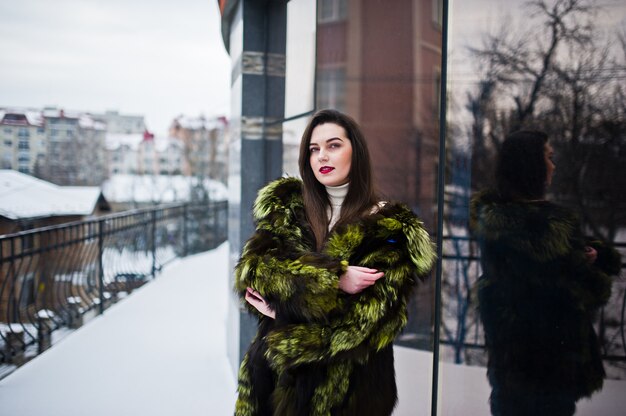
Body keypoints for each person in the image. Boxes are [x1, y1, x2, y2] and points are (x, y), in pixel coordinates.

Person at [233, 109, 436, 415]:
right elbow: (255, 271)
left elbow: (357, 326)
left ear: (356, 151)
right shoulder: (290, 210)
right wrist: (333, 280)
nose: (322, 157)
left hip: (349, 395)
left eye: (333, 145)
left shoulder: (389, 228)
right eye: (314, 149)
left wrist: (282, 311)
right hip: (270, 384)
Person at [470, 130, 621, 416]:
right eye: (549, 158)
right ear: (532, 165)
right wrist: (592, 267)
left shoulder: (496, 219)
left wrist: (590, 256)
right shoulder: (549, 224)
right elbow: (578, 292)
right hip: (550, 363)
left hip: (512, 362)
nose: (554, 165)